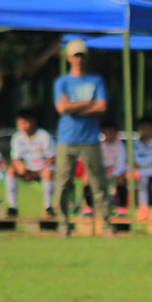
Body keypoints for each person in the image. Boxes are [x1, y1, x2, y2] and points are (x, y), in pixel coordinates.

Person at [53, 39, 113, 237]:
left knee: (98, 183)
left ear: (86, 57)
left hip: (90, 139)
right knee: (63, 183)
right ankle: (63, 224)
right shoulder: (62, 82)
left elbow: (102, 106)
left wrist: (73, 107)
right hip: (66, 139)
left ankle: (106, 224)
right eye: (75, 55)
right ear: (68, 57)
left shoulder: (96, 79)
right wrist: (89, 103)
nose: (78, 59)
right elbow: (62, 108)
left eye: (82, 55)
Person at [5, 107, 54, 217]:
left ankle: (48, 207)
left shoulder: (43, 136)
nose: (23, 126)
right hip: (26, 170)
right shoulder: (17, 137)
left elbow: (51, 158)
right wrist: (20, 166)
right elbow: (15, 158)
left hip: (42, 169)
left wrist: (39, 171)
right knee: (11, 170)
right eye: (20, 123)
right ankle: (12, 207)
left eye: (25, 123)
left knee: (48, 173)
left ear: (34, 122)